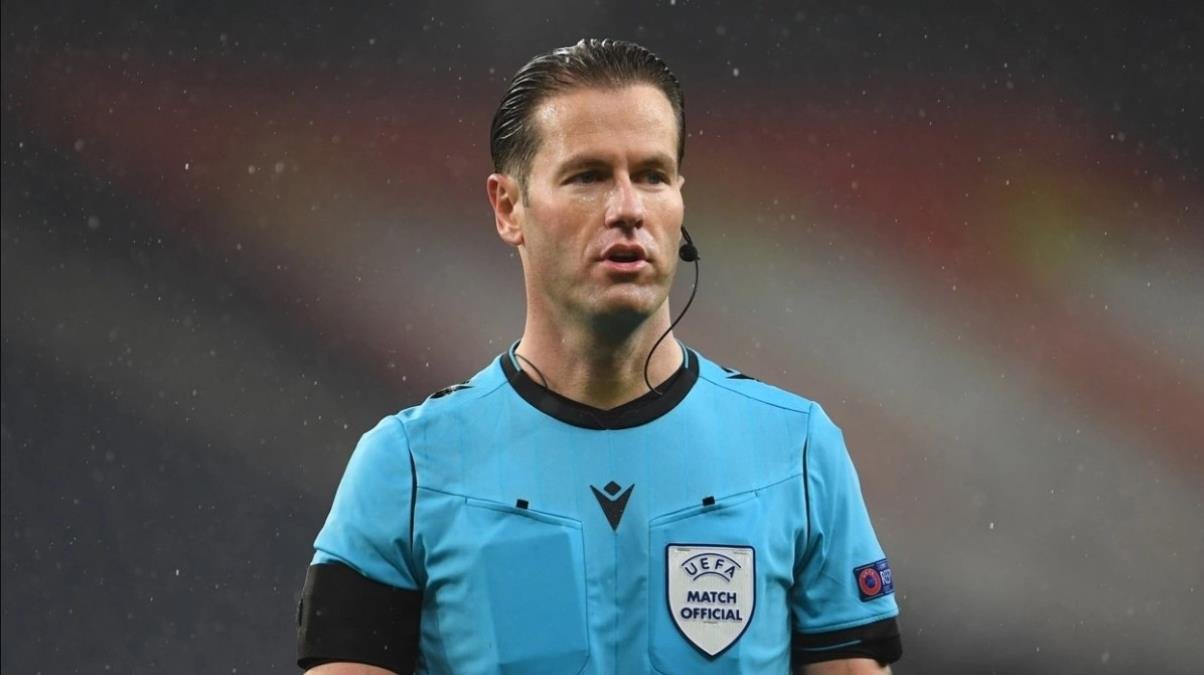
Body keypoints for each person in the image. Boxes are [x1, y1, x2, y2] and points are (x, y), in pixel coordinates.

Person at [296, 38, 901, 675]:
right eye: (588, 176)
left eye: (652, 175)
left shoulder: (798, 451)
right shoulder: (408, 467)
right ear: (508, 207)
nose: (628, 209)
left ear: (680, 198)